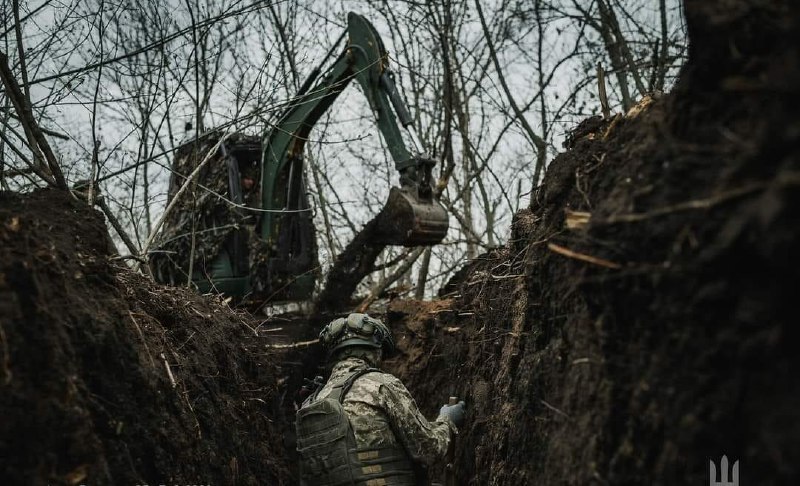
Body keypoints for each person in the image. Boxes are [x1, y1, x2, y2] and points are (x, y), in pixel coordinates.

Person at [295, 313, 466, 486]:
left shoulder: (313, 401)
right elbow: (428, 449)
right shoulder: (380, 385)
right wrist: (448, 420)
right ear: (374, 352)